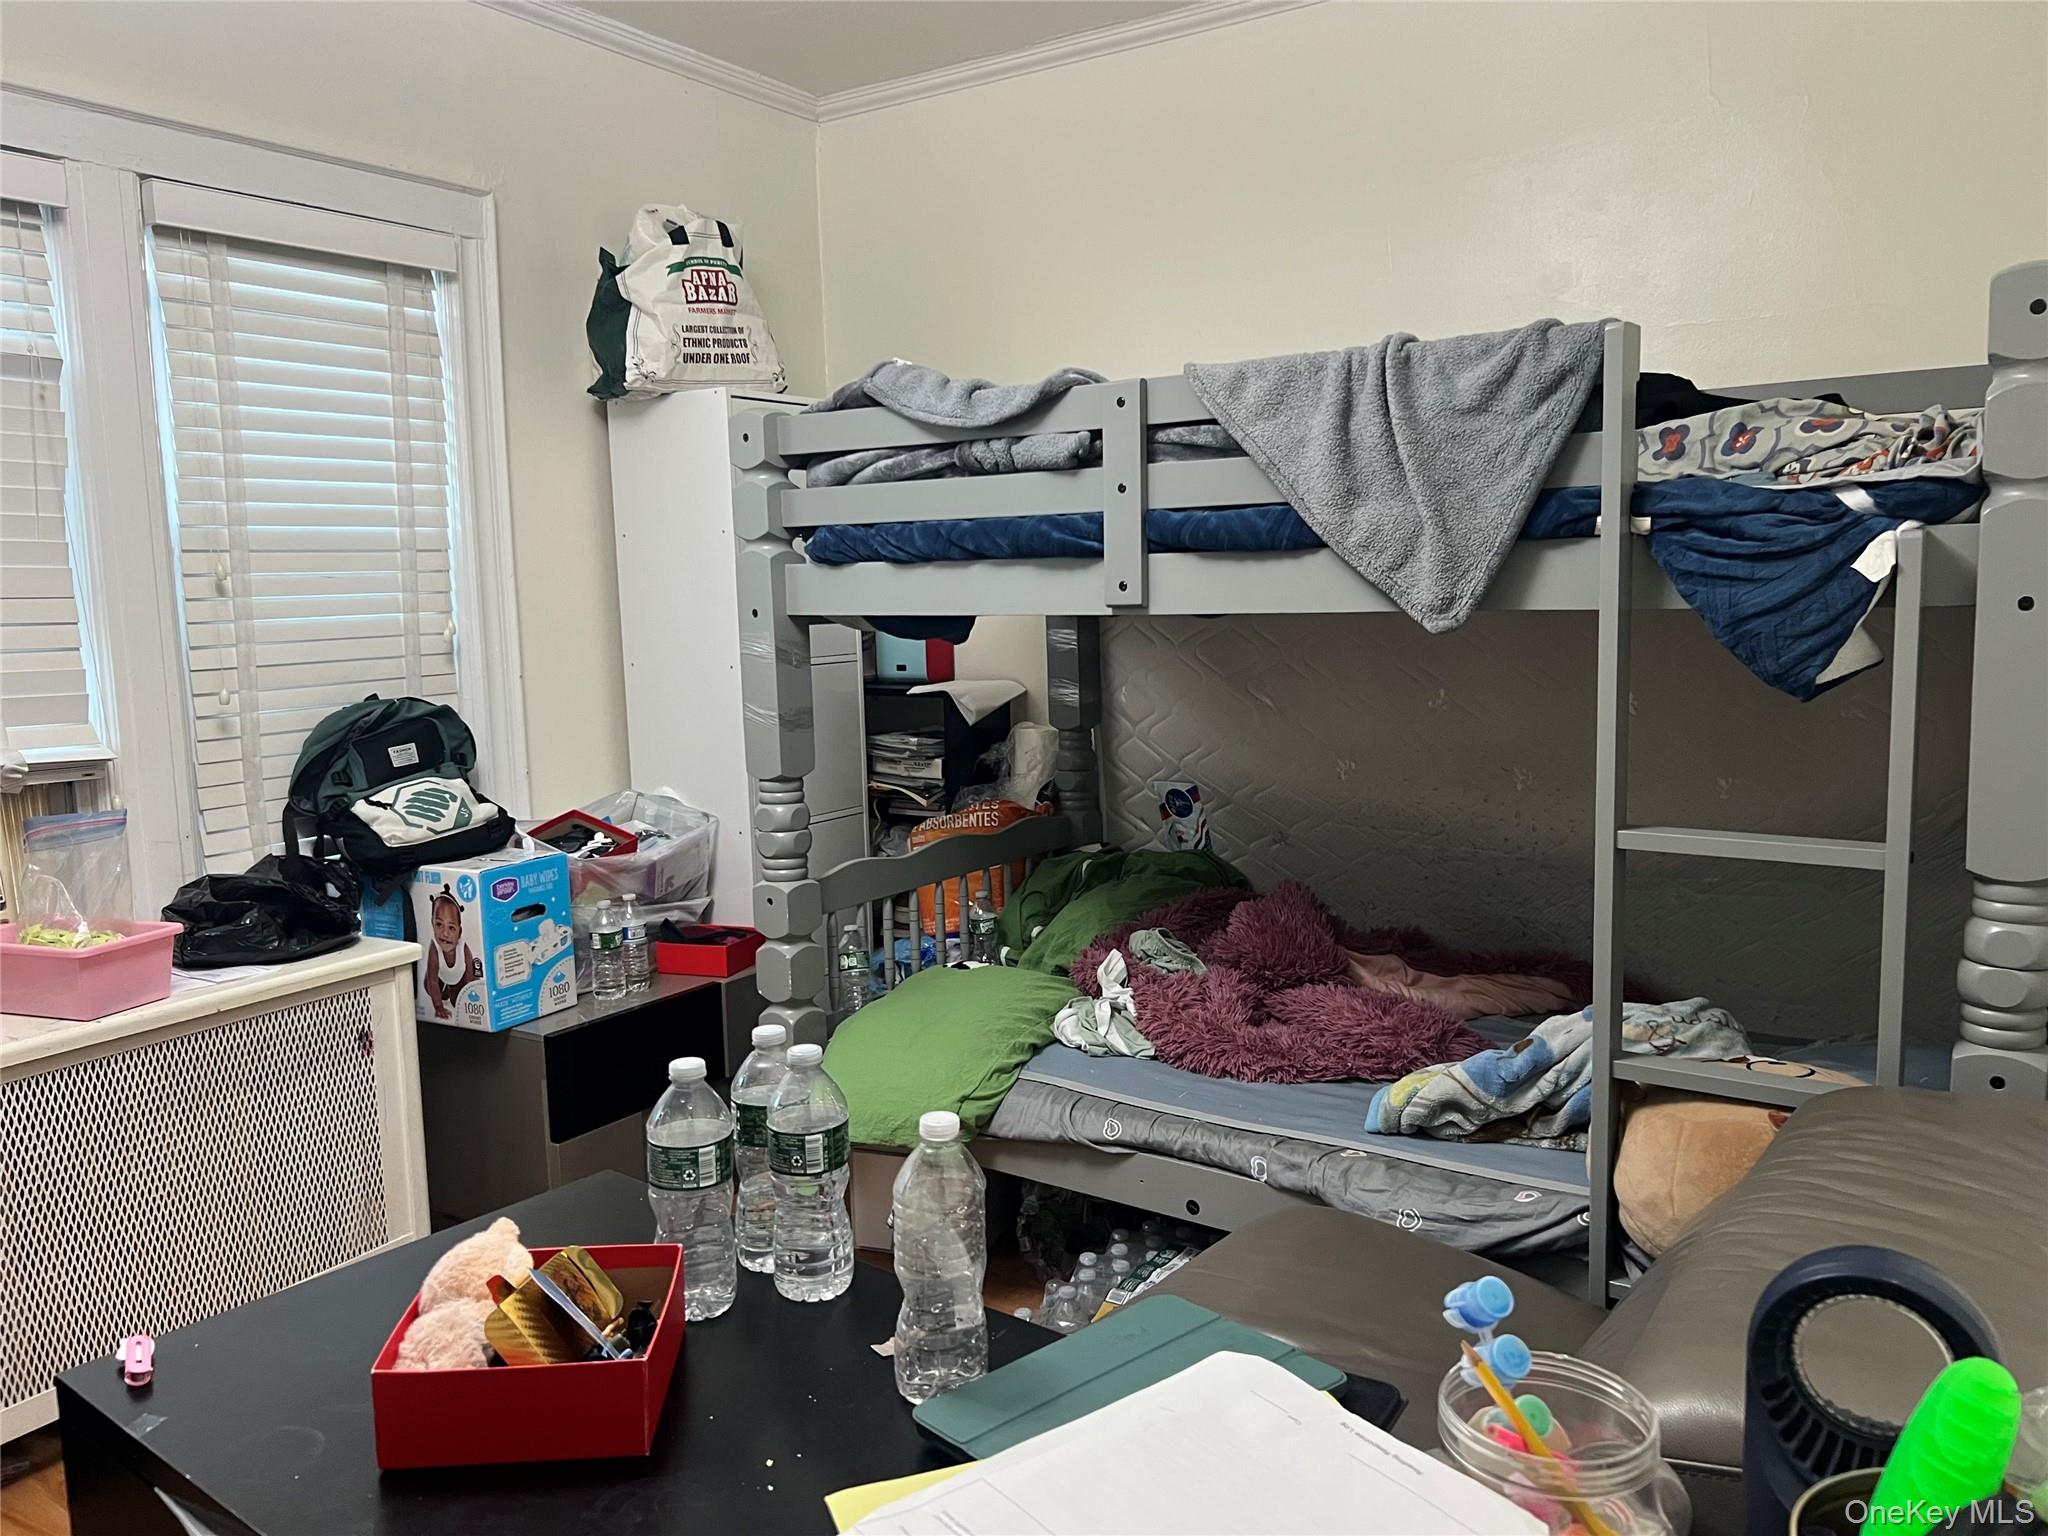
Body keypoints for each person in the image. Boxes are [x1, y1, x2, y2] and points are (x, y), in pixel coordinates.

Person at [425, 886, 482, 1019]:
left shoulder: (463, 948)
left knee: (460, 998)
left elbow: (470, 974)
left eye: (451, 928)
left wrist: (472, 989)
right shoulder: (434, 949)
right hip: (440, 977)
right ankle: (444, 992)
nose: (445, 934)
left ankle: (453, 990)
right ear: (432, 924)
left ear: (459, 932)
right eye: (439, 925)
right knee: (429, 985)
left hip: (460, 977)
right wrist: (438, 1006)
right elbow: (432, 980)